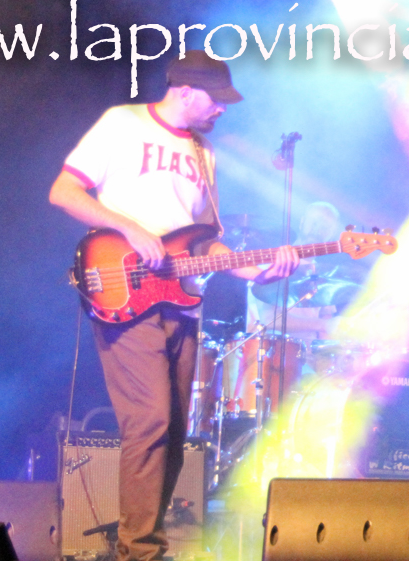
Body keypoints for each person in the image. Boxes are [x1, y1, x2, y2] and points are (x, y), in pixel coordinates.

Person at [50, 50, 298, 561]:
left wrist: (258, 269)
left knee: (176, 429)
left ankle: (143, 542)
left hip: (181, 303)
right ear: (185, 90)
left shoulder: (204, 154)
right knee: (151, 420)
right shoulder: (122, 123)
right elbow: (64, 191)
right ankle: (139, 551)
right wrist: (128, 228)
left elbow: (207, 244)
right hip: (122, 290)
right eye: (216, 99)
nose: (223, 109)